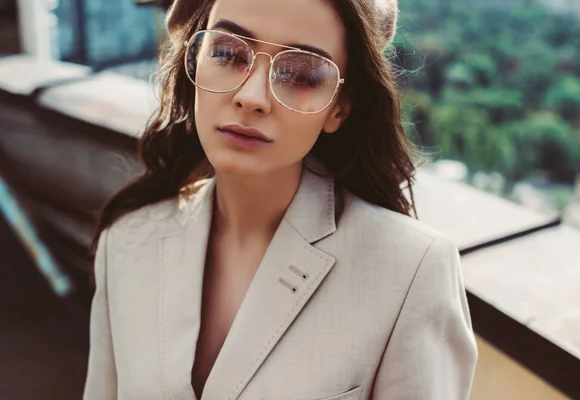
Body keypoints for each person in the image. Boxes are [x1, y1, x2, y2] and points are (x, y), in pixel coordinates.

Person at [82, 0, 478, 398]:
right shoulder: (127, 242)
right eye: (227, 53)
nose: (252, 97)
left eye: (301, 74)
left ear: (340, 107)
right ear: (194, 58)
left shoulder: (411, 272)